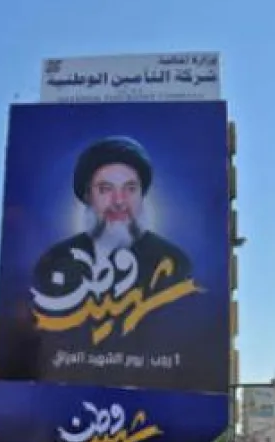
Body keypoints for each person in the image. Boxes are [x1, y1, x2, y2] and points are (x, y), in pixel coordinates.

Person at [28, 137, 194, 329]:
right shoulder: (54, 263)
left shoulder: (173, 264)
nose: (119, 201)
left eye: (130, 189)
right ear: (88, 196)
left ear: (142, 196)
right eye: (105, 189)